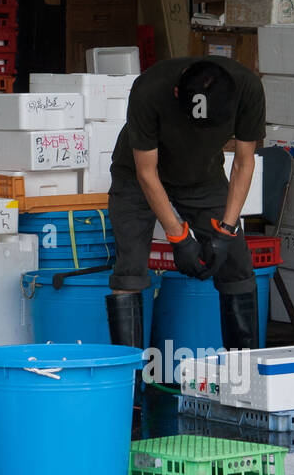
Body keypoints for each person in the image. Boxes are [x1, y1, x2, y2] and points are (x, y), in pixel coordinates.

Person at [106, 56, 266, 358]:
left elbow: (244, 161)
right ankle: (130, 388)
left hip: (202, 177)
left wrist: (226, 230)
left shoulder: (246, 88)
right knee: (130, 269)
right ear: (178, 94)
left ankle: (244, 378)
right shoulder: (149, 90)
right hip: (137, 178)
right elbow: (146, 173)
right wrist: (178, 236)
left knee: (237, 264)